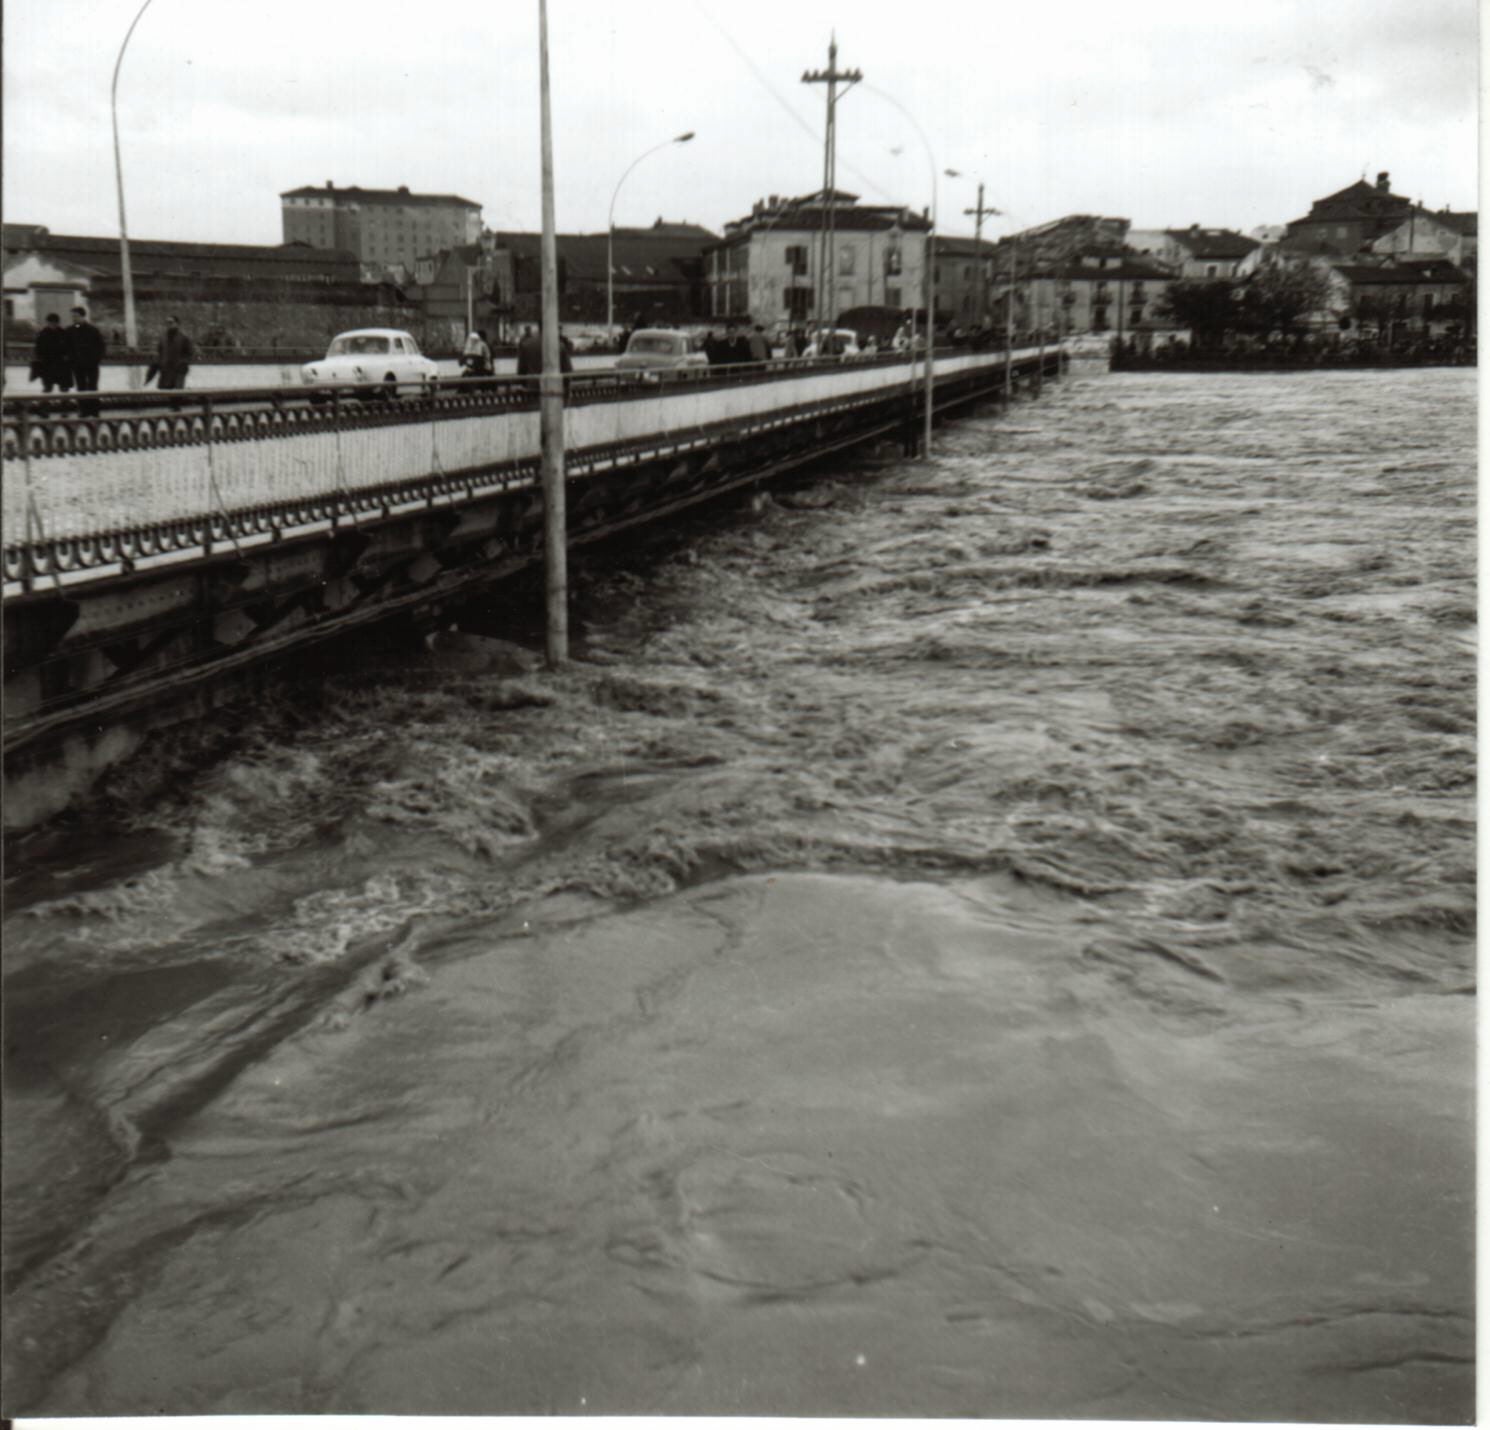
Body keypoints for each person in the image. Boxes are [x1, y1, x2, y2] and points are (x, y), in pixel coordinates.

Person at [66, 305, 105, 414]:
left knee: (93, 386)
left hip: (91, 364)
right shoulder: (69, 331)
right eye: (72, 316)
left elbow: (101, 346)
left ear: (83, 316)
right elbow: (66, 347)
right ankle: (83, 410)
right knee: (80, 387)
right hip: (77, 365)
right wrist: (71, 360)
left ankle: (94, 410)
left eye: (76, 316)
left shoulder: (93, 330)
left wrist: (96, 359)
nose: (74, 318)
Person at [145, 315, 195, 390]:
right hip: (165, 370)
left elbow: (190, 353)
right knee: (163, 391)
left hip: (178, 370)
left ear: (177, 324)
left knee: (177, 394)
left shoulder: (184, 338)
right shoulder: (163, 337)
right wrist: (157, 364)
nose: (168, 324)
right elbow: (159, 352)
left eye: (171, 322)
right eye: (167, 323)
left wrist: (183, 363)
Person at [30, 313, 73, 393]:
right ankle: (46, 403)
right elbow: (38, 349)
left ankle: (65, 403)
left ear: (57, 323)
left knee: (64, 387)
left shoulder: (64, 333)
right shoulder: (42, 334)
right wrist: (40, 358)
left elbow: (69, 348)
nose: (52, 325)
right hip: (47, 364)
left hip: (61, 364)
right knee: (47, 387)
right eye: (50, 323)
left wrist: (67, 357)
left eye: (54, 323)